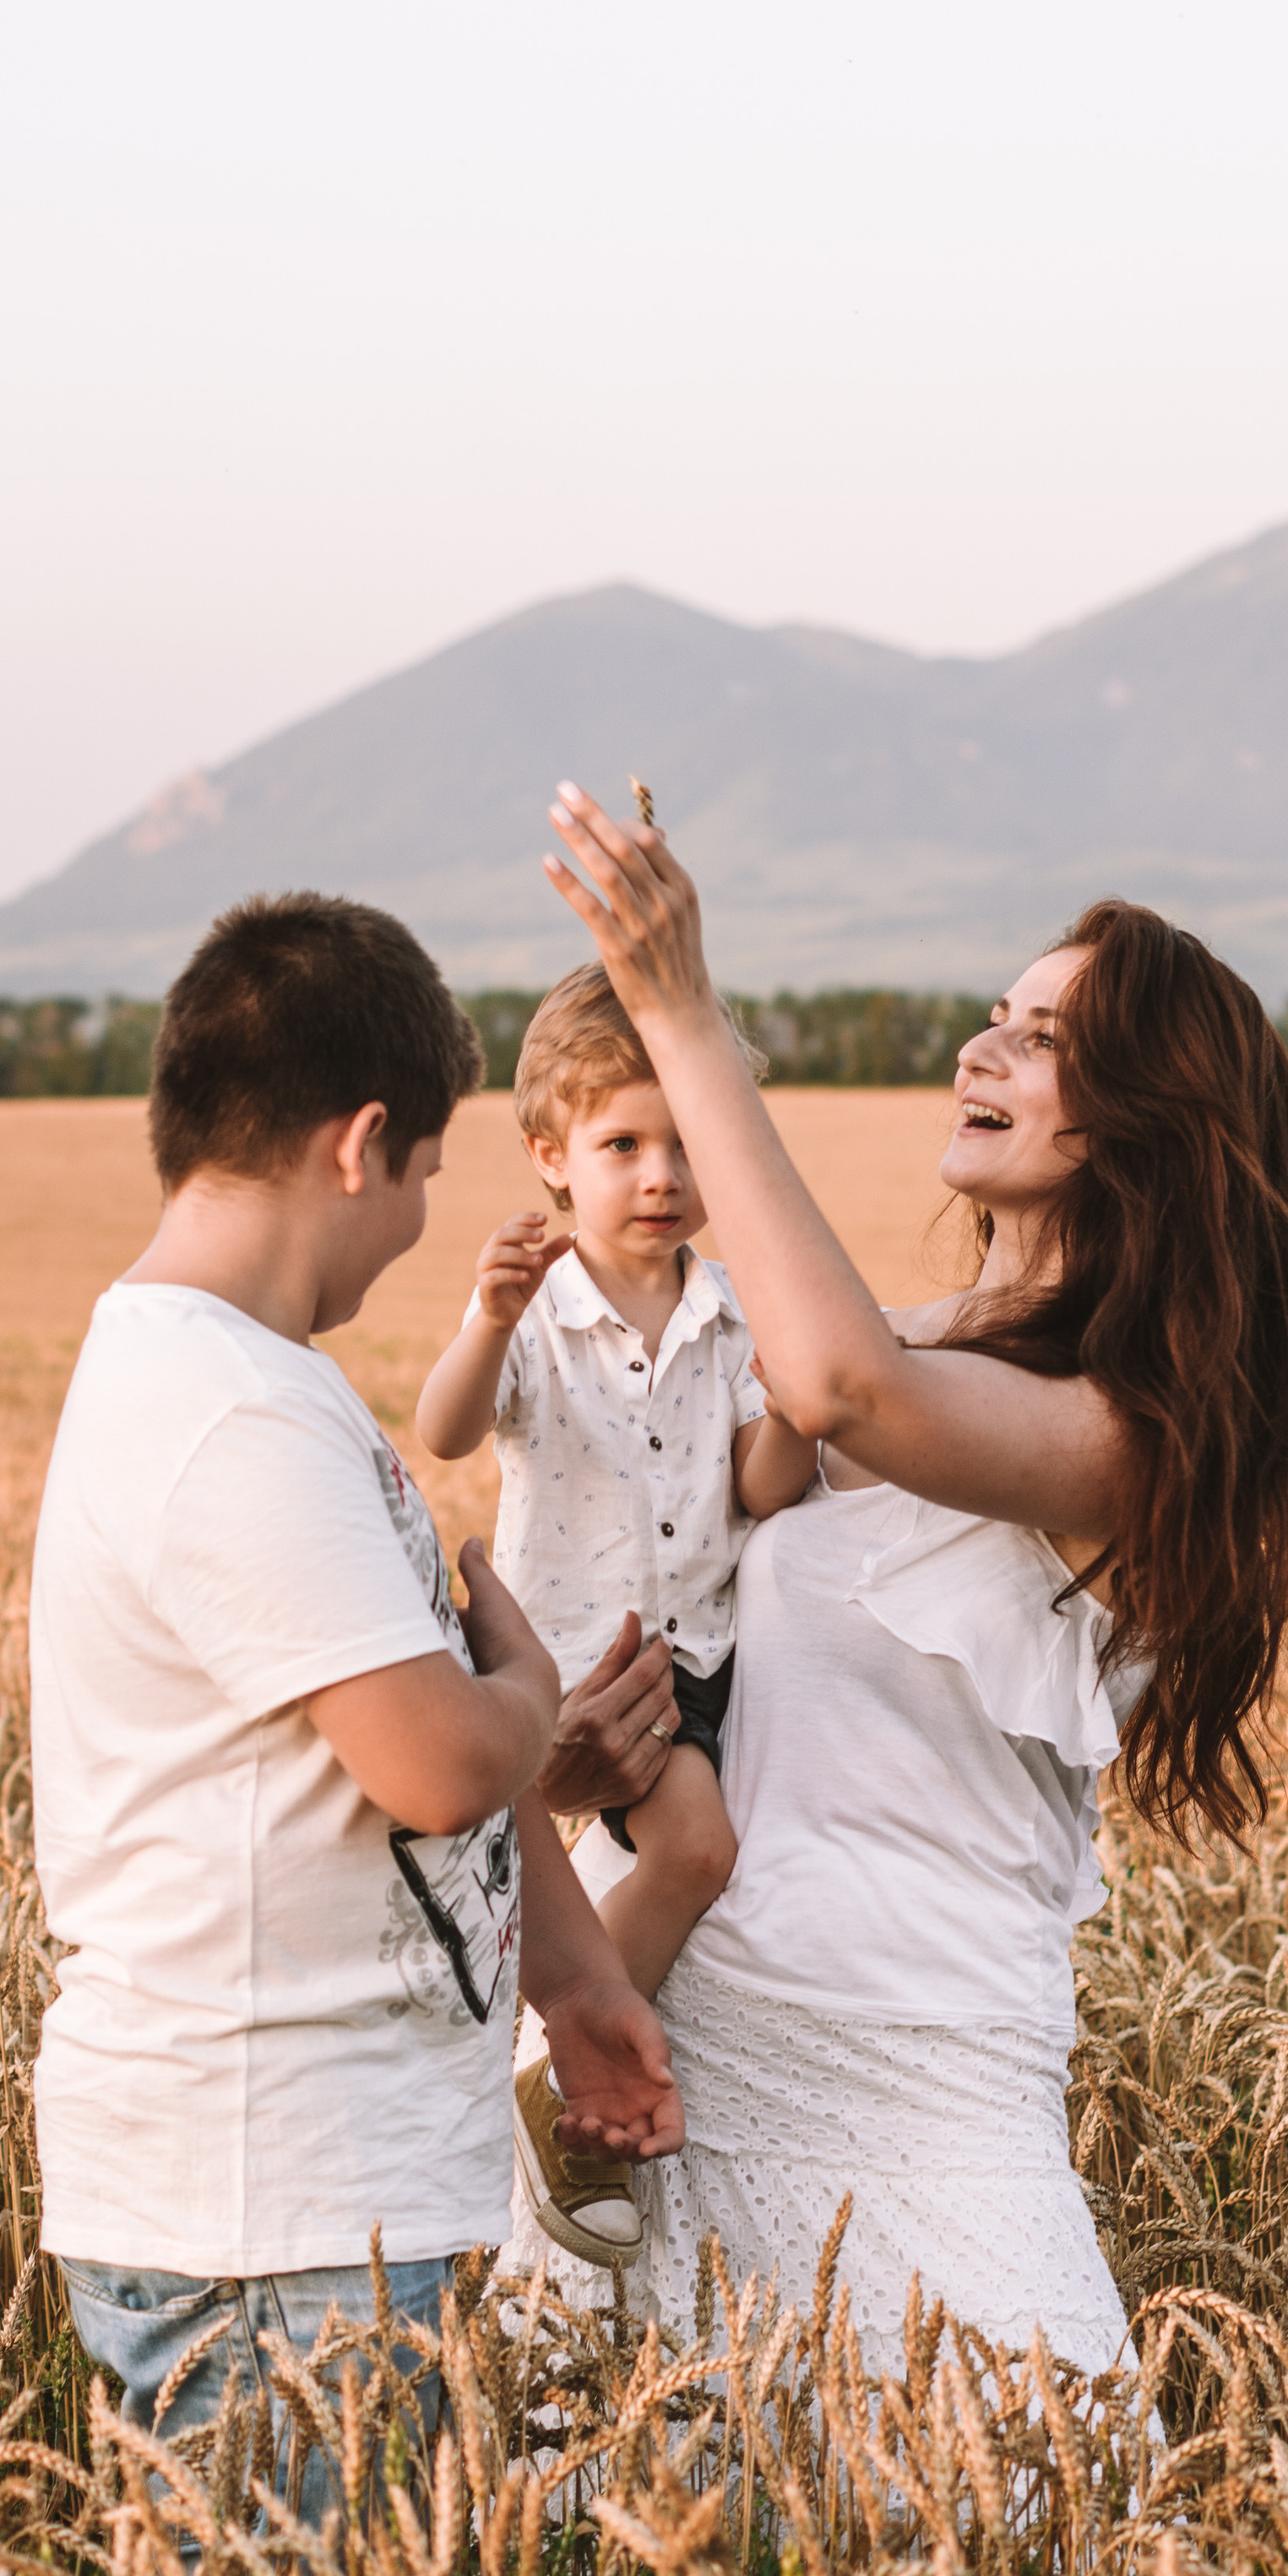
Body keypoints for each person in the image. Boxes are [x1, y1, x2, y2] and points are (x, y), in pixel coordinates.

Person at [524, 786, 1288, 2372]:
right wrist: (601, 1757)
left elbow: (839, 1390)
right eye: (994, 1018)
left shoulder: (1134, 1431)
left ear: (1138, 1116)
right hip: (680, 2062)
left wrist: (677, 1012)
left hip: (923, 2093)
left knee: (1045, 2572)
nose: (982, 1053)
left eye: (1040, 1040)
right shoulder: (905, 1332)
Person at [29, 891, 682, 2488]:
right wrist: (530, 1685)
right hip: (272, 2225)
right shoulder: (228, 1416)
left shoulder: (257, 1388)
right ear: (360, 1141)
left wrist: (579, 1986)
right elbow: (441, 1762)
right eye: (429, 1175)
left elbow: (389, 1779)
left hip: (326, 2203)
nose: (413, 1226)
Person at [415, 964, 817, 2266]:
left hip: (688, 1658)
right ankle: (522, 2066)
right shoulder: (539, 1310)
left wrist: (806, 1403)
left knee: (697, 1851)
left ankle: (557, 2070)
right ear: (551, 1157)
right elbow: (446, 1428)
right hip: (551, 1659)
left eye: (688, 1144)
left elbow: (758, 1487)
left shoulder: (731, 1308)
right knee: (478, 1887)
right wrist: (485, 1315)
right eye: (623, 1145)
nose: (661, 1175)